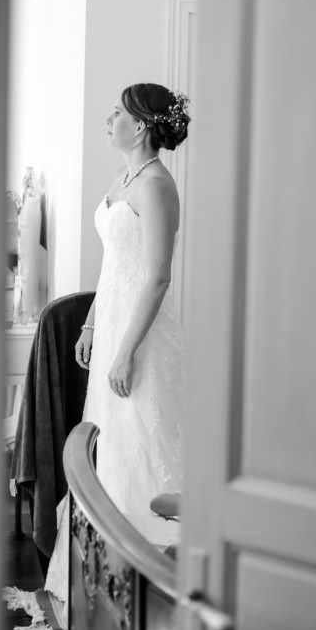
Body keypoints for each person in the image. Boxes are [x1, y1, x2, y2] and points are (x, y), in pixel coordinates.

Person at [45, 82, 190, 602]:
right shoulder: (126, 176)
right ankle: (102, 585)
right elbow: (116, 268)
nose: (110, 119)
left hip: (143, 337)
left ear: (143, 125)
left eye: (118, 113)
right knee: (111, 446)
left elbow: (156, 278)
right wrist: (89, 325)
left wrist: (127, 350)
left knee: (142, 444)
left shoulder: (156, 186)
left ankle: (151, 589)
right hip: (111, 329)